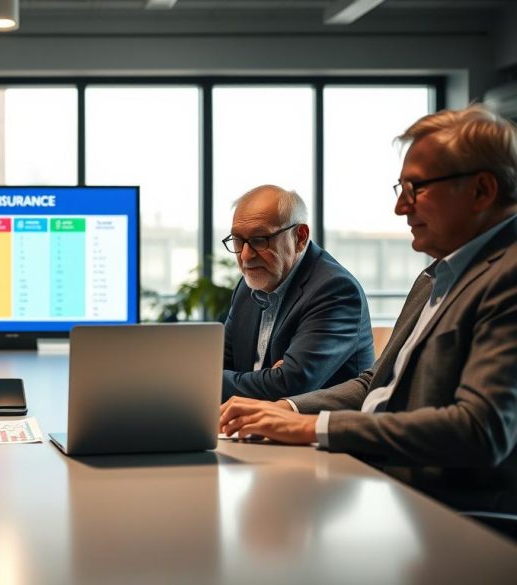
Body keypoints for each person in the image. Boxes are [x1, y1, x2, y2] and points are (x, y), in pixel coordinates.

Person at [219, 104, 517, 513]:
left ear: (482, 191)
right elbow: (374, 383)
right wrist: (286, 409)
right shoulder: (434, 277)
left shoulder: (508, 276)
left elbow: (479, 430)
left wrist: (316, 426)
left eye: (417, 188)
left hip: (447, 509)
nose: (401, 208)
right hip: (382, 478)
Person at [220, 185, 374, 401]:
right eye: (238, 240)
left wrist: (274, 379)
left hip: (316, 430)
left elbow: (289, 385)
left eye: (259, 239)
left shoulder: (335, 289)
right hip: (251, 426)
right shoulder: (248, 287)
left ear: (300, 237)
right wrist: (267, 378)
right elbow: (216, 366)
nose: (245, 256)